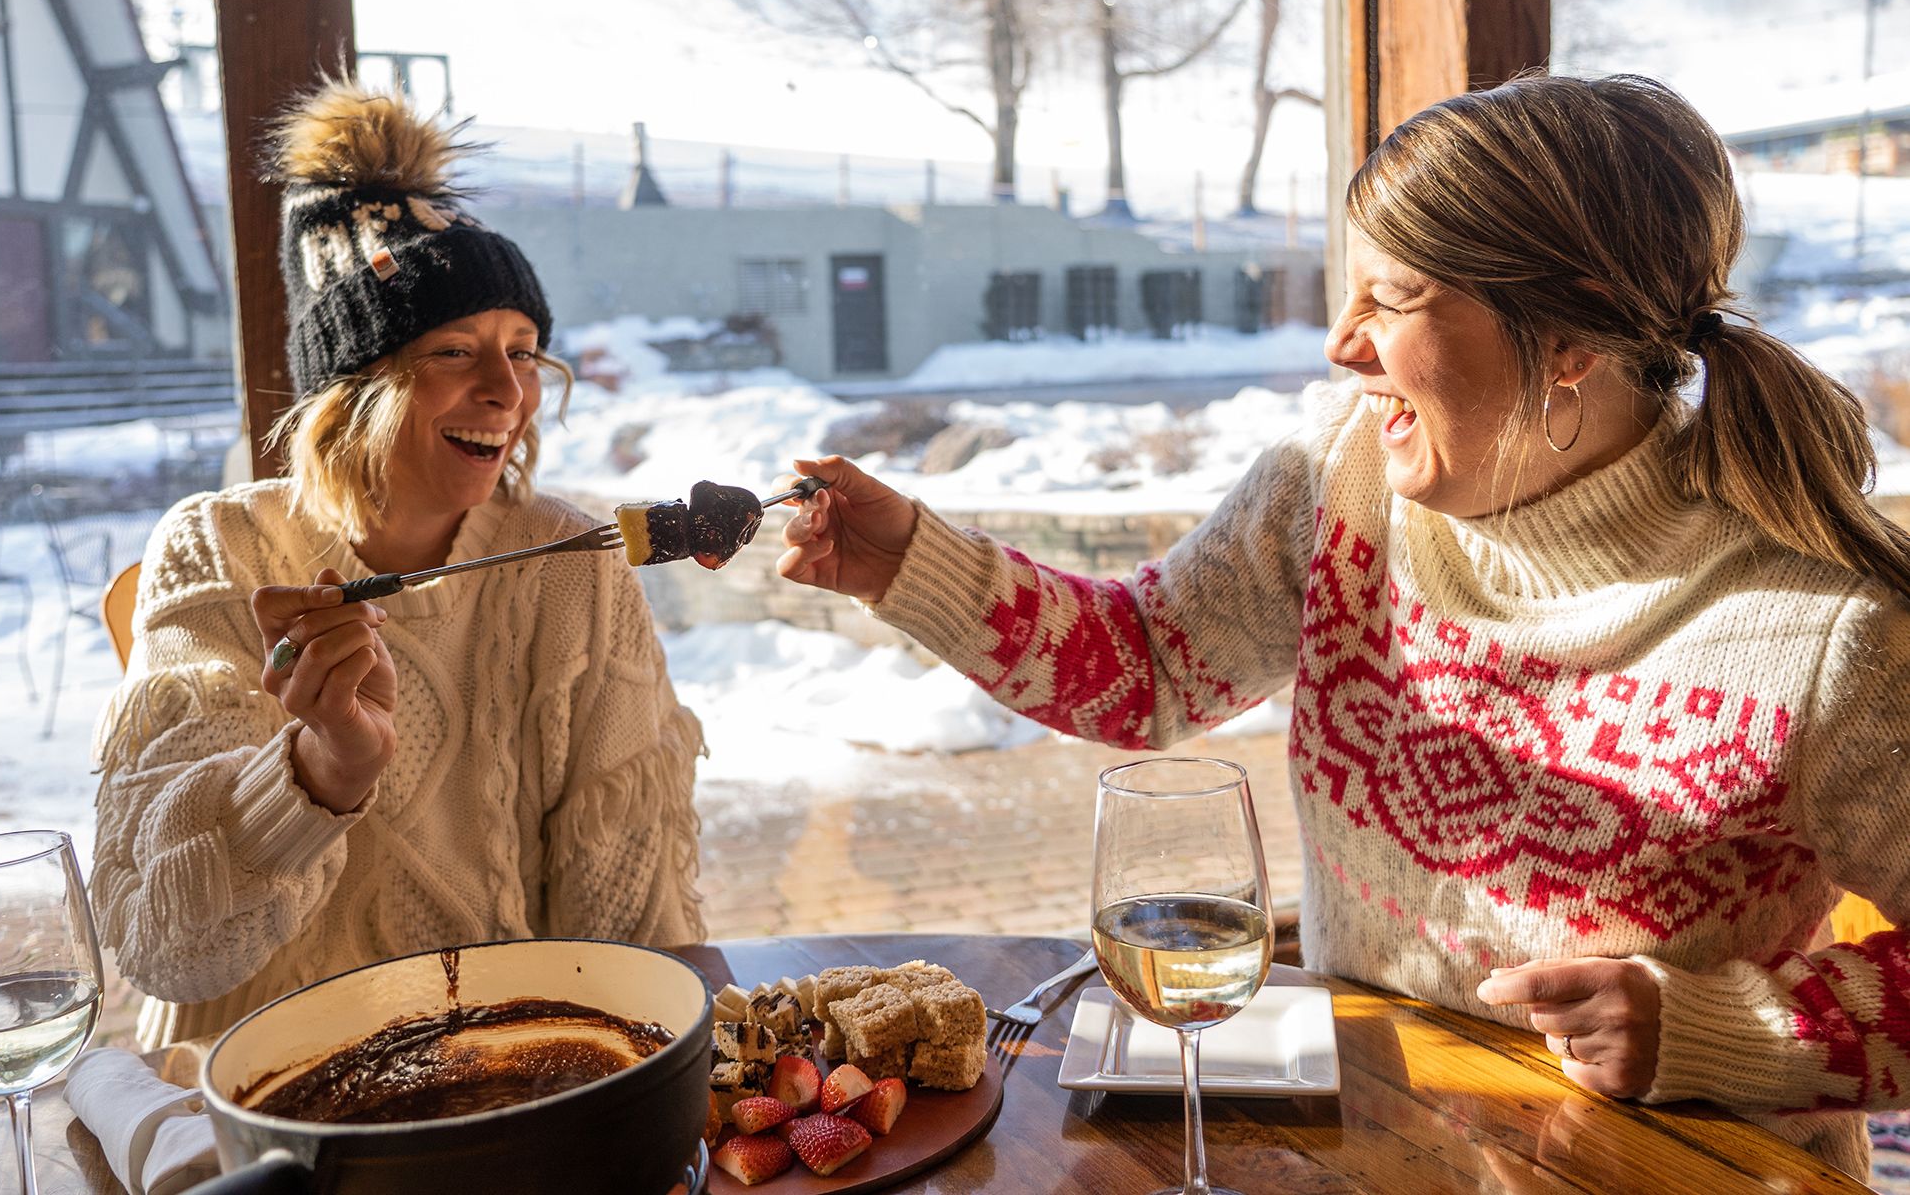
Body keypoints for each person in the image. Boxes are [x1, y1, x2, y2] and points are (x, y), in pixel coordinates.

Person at [778, 73, 1910, 1179]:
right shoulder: (1343, 473)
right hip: (1377, 1140)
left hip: (1688, 1162)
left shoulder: (1828, 627)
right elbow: (1152, 665)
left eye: (1396, 297)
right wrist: (908, 561)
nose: (1342, 342)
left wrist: (1710, 1027)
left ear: (1568, 336)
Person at [92, 82, 704, 1048]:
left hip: (503, 1074)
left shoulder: (572, 567)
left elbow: (635, 928)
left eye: (525, 351)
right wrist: (318, 773)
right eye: (456, 350)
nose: (508, 391)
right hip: (258, 1091)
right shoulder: (221, 550)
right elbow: (161, 942)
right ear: (355, 389)